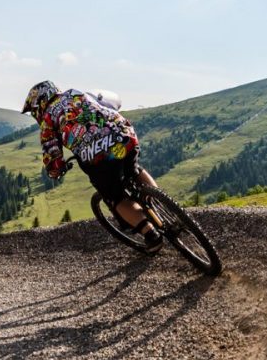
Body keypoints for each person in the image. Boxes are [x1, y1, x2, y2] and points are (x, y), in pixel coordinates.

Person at [21, 80, 163, 252]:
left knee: (115, 197)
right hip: (124, 135)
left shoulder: (48, 121)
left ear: (40, 103)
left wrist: (56, 170)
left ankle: (151, 235)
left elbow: (52, 157)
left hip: (98, 155)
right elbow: (112, 103)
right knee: (134, 170)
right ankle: (163, 205)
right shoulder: (77, 92)